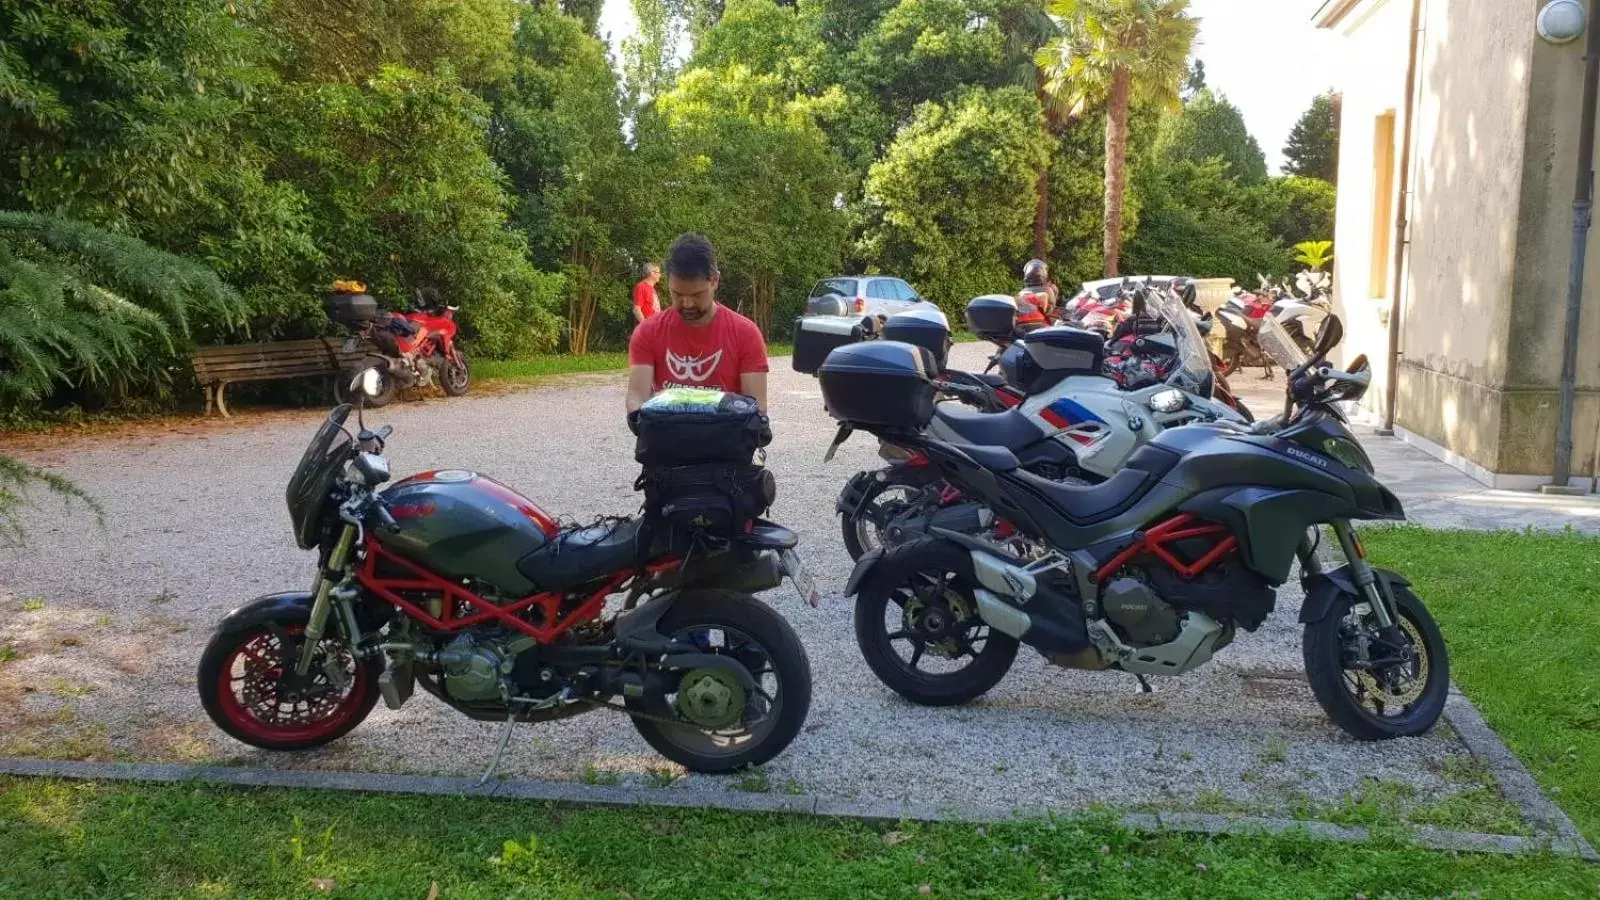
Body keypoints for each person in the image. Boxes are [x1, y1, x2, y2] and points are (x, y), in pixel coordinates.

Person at [626, 233, 769, 412]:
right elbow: (637, 396)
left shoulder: (746, 334)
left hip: (726, 437)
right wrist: (637, 417)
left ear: (715, 281)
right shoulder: (647, 332)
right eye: (677, 294)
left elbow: (756, 407)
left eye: (696, 295)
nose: (687, 304)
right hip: (666, 436)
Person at [1016, 258, 1058, 332]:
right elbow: (1050, 310)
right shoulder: (1047, 291)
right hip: (1039, 325)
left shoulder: (1021, 293)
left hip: (1021, 325)